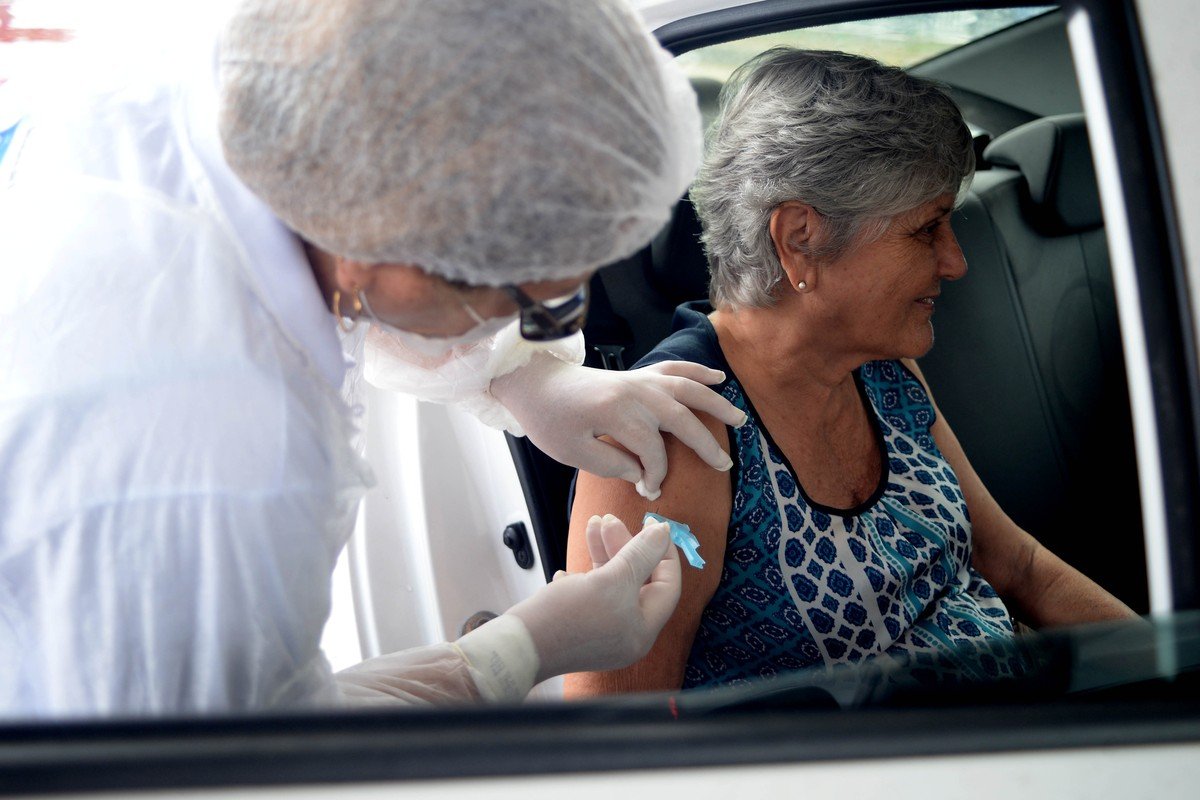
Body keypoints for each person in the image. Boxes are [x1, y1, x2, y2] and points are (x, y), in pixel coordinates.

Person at [0, 0, 750, 716]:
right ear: (374, 253)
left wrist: (525, 377)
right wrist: (518, 650)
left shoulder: (268, 92)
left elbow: (357, 276)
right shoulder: (232, 461)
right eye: (526, 298)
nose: (543, 321)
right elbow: (228, 753)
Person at [564, 48, 1137, 696]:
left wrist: (1171, 671)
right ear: (799, 238)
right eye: (926, 230)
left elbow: (1020, 567)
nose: (955, 261)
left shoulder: (882, 370)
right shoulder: (671, 434)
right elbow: (616, 732)